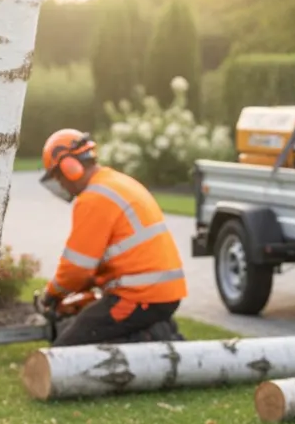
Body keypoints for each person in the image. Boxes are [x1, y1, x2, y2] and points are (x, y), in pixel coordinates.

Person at [37, 128, 187, 346]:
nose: (60, 184)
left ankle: (154, 338)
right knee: (93, 323)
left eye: (58, 177)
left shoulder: (94, 198)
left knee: (65, 349)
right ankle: (158, 332)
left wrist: (52, 294)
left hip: (140, 296)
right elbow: (96, 265)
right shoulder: (116, 182)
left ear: (71, 168)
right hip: (160, 292)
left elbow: (77, 268)